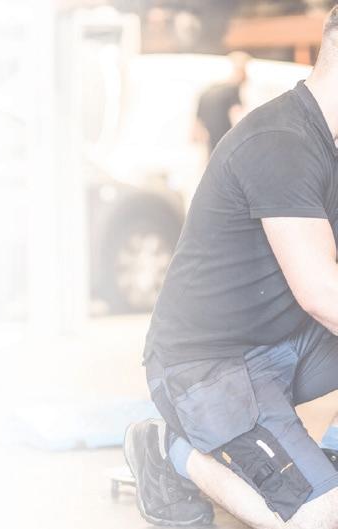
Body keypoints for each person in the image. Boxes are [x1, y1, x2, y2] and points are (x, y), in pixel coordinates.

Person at [124, 6, 338, 529]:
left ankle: (320, 456)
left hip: (285, 342)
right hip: (205, 366)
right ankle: (171, 450)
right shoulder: (281, 141)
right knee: (323, 519)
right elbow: (321, 293)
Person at [192, 51, 250, 153]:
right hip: (223, 131)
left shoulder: (211, 88)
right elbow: (237, 113)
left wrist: (197, 129)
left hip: (210, 131)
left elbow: (199, 112)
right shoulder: (233, 89)